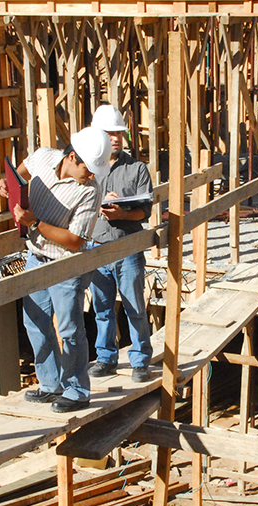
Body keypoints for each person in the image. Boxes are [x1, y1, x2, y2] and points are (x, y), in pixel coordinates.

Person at [0, 126, 112, 413]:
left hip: (65, 265)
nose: (92, 174)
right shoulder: (43, 157)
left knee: (70, 330)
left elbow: (74, 241)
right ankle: (51, 384)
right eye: (88, 168)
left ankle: (77, 391)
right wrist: (6, 184)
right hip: (36, 257)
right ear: (72, 157)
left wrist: (35, 223)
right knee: (34, 323)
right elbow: (19, 174)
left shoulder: (90, 191)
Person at [86, 105, 155, 383]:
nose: (115, 138)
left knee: (134, 307)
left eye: (118, 133)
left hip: (127, 248)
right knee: (102, 309)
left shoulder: (137, 169)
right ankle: (105, 358)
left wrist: (121, 213)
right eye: (109, 133)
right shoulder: (88, 169)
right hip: (97, 247)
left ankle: (140, 361)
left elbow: (144, 212)